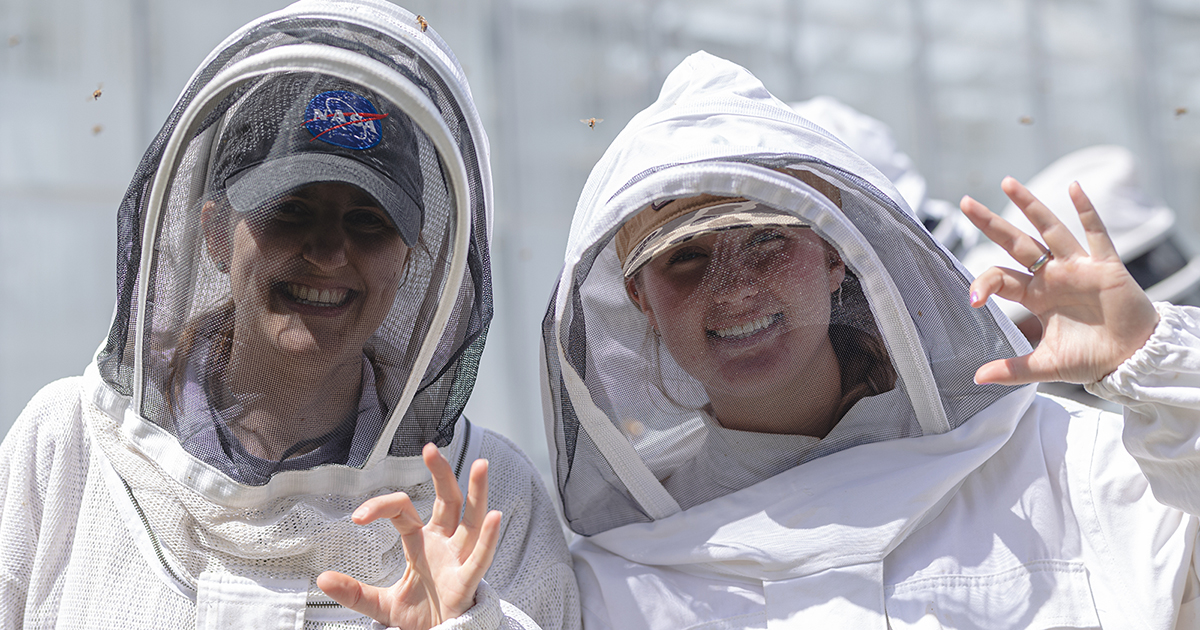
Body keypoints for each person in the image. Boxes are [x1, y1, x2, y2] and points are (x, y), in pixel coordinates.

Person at [540, 51, 1200, 628]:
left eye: (766, 239)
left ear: (837, 257)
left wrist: (1157, 362)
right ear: (638, 299)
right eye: (685, 257)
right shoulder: (614, 582)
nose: (733, 287)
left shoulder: (1060, 467)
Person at [0, 2, 578, 628]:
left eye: (368, 222)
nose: (329, 253)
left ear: (410, 261)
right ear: (216, 233)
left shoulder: (487, 505)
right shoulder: (68, 448)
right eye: (290, 209)